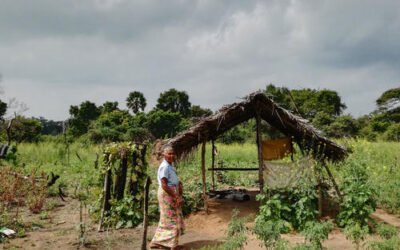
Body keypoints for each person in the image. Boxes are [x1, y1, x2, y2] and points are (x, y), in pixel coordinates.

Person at [149, 145, 185, 250]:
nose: (171, 155)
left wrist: (179, 184)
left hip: (171, 193)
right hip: (167, 194)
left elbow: (172, 180)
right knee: (172, 219)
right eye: (169, 153)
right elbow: (164, 185)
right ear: (164, 154)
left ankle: (158, 241)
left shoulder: (170, 165)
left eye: (173, 153)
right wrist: (176, 196)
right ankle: (172, 245)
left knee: (168, 218)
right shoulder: (164, 166)